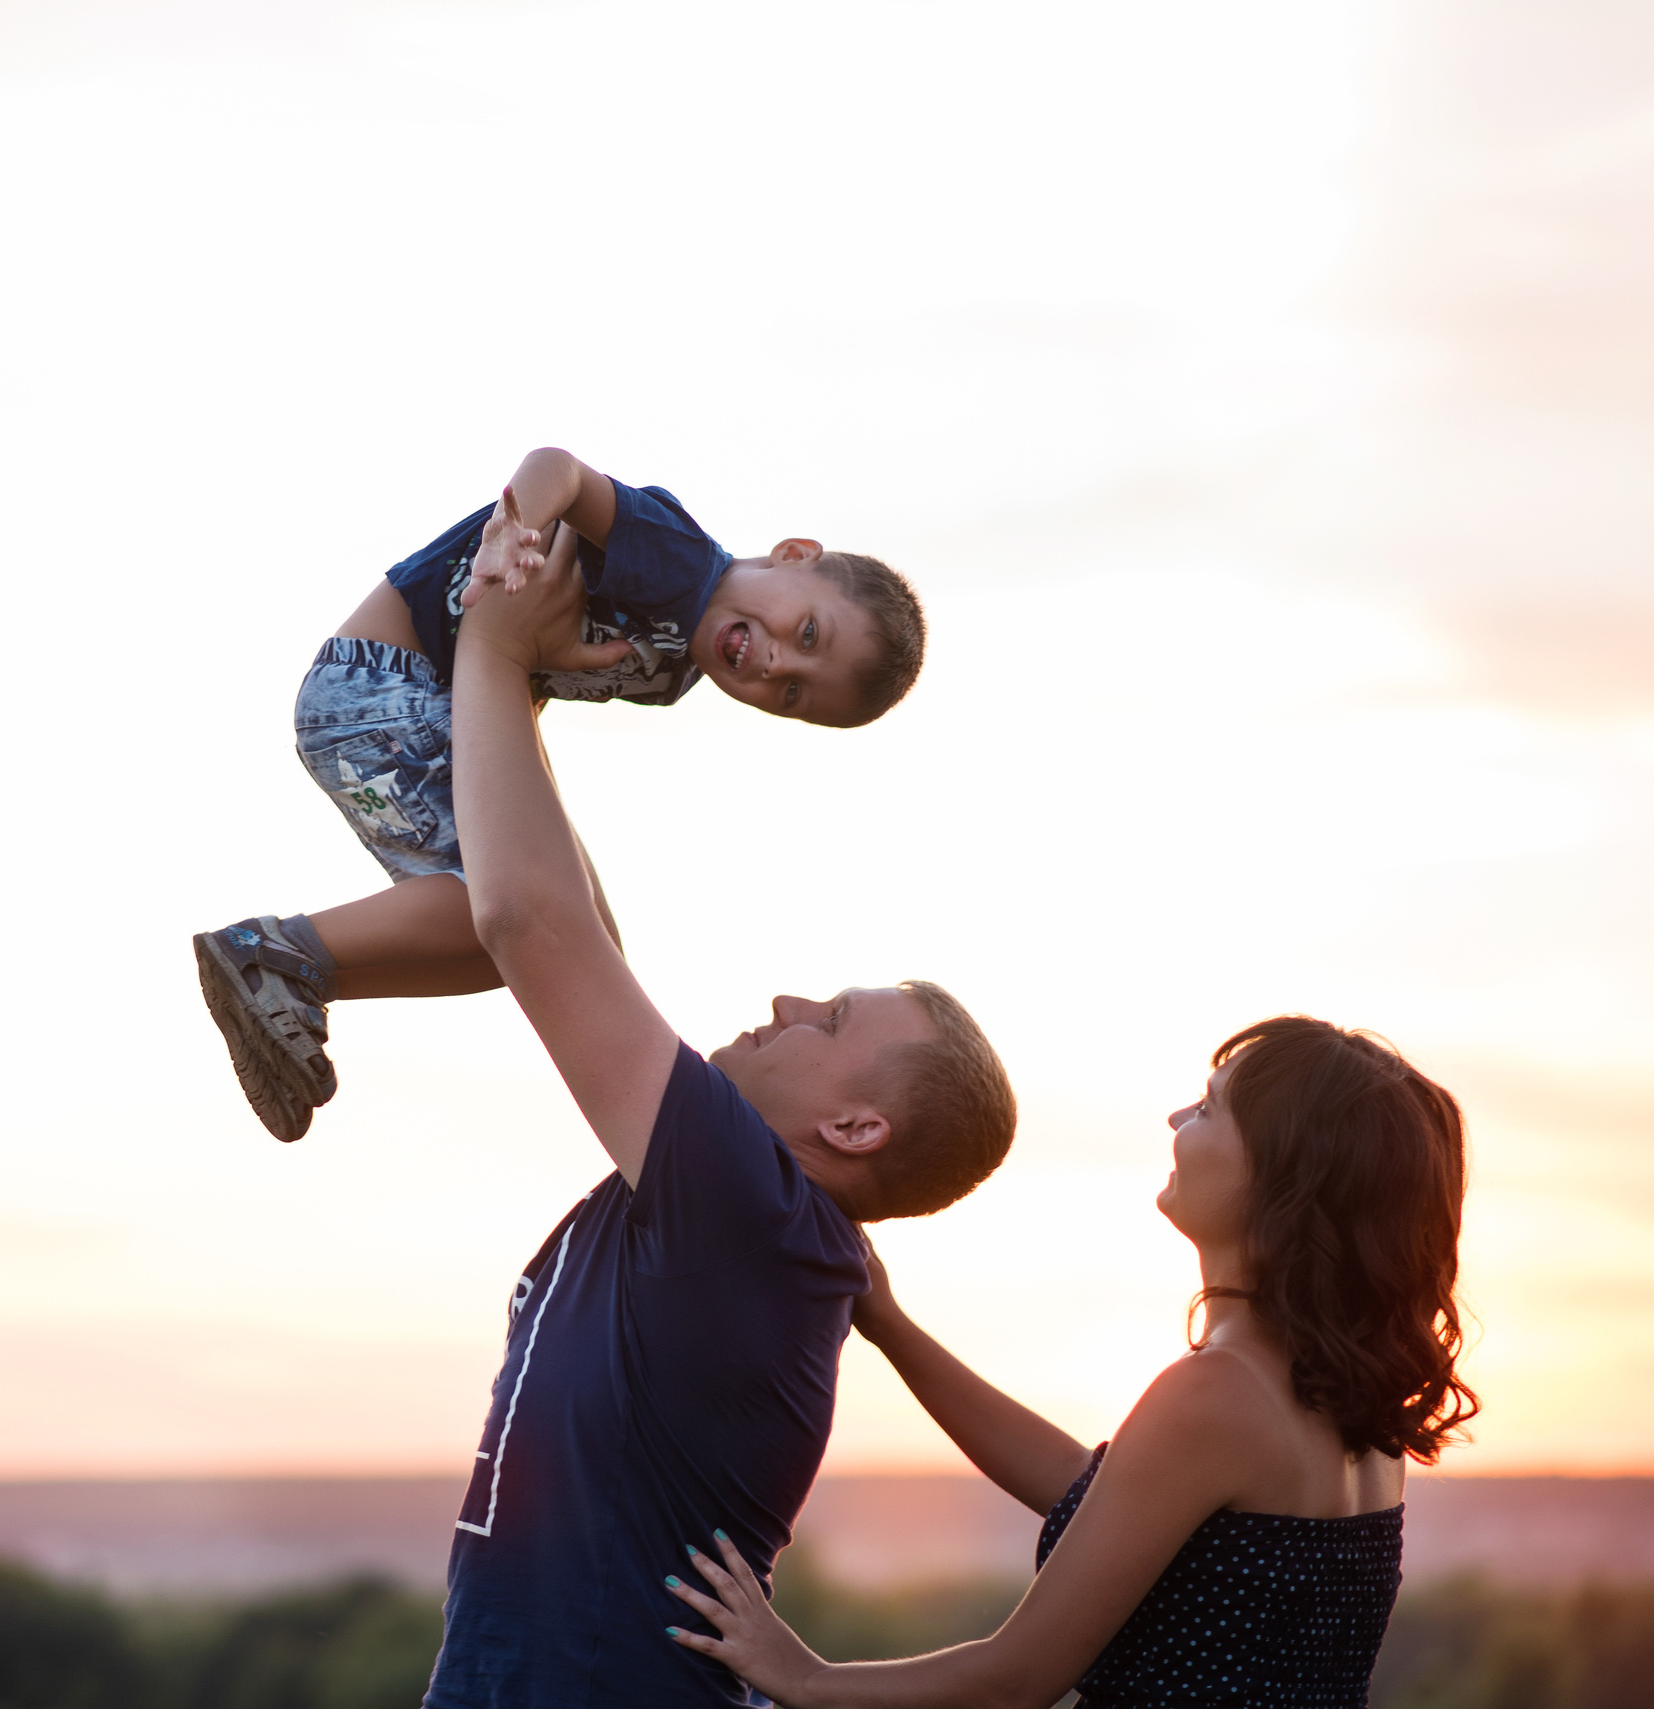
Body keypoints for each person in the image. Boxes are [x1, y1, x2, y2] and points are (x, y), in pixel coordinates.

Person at [413, 540, 1015, 1707]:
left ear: (852, 1125)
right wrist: (527, 695)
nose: (790, 1002)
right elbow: (582, 927)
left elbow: (535, 923)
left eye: (831, 1018)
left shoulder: (746, 1206)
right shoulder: (747, 1216)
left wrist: (490, 643)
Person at [660, 1017, 1477, 1709]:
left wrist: (804, 1676)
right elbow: (1098, 1496)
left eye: (1211, 1107)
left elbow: (1017, 1676)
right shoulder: (1357, 1416)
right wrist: (891, 1325)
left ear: (1285, 1171)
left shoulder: (1218, 1394)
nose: (1176, 1117)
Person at [192, 445, 926, 1139]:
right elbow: (560, 469)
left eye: (792, 691)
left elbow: (528, 684)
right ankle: (273, 952)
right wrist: (518, 529)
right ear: (793, 555)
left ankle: (291, 977)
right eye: (805, 630)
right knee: (535, 913)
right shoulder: (678, 560)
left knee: (568, 950)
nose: (772, 662)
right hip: (385, 686)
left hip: (411, 709)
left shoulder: (675, 670)